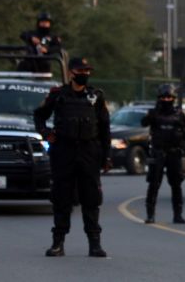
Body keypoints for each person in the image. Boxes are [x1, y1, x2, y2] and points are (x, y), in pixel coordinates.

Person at [34, 57, 111, 258]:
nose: (84, 74)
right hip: (64, 152)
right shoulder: (58, 95)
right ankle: (58, 243)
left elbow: (105, 129)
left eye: (87, 71)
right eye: (80, 71)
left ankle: (95, 244)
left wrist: (106, 156)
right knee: (62, 198)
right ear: (70, 73)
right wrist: (46, 133)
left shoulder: (96, 96)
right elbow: (39, 115)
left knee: (91, 199)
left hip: (89, 152)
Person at [142, 84, 185, 225]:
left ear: (173, 98)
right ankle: (150, 215)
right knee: (154, 184)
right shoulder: (154, 113)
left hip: (174, 153)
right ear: (159, 98)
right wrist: (151, 115)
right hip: (158, 153)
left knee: (176, 185)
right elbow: (143, 123)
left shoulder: (179, 114)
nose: (166, 100)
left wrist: (182, 139)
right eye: (163, 97)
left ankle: (178, 215)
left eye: (169, 97)